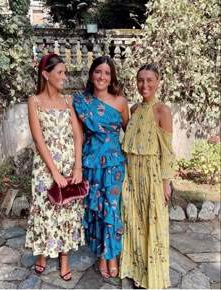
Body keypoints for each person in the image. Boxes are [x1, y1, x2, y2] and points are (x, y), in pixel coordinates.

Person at [25, 53, 85, 281]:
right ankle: (41, 253)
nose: (64, 77)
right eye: (59, 72)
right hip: (45, 167)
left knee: (67, 211)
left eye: (64, 72)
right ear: (45, 74)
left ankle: (64, 258)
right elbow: (39, 140)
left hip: (69, 166)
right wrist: (54, 173)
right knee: (44, 208)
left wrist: (77, 167)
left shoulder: (68, 101)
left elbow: (77, 136)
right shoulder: (35, 101)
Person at [119, 63, 176, 289]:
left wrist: (165, 183)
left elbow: (167, 151)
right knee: (134, 223)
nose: (145, 85)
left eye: (149, 80)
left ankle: (152, 274)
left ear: (158, 81)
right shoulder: (133, 110)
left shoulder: (163, 111)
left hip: (152, 176)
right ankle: (136, 270)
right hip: (131, 176)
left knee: (152, 224)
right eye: (141, 80)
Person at [73, 56, 129, 278]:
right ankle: (101, 254)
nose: (102, 77)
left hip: (114, 164)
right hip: (91, 163)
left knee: (112, 208)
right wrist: (77, 166)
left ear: (112, 77)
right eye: (98, 72)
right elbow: (77, 136)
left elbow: (129, 133)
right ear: (91, 74)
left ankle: (112, 255)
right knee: (95, 209)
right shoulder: (80, 101)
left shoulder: (120, 102)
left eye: (107, 73)